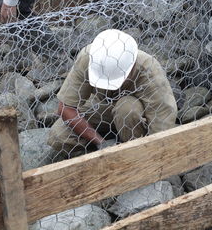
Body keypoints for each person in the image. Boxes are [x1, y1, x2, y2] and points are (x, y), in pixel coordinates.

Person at [48, 29, 177, 160]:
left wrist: (152, 155)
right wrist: (101, 143)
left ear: (131, 66)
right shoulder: (88, 58)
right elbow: (66, 108)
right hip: (101, 107)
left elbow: (162, 119)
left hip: (133, 113)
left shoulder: (148, 68)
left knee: (127, 109)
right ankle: (101, 154)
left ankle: (133, 154)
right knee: (59, 136)